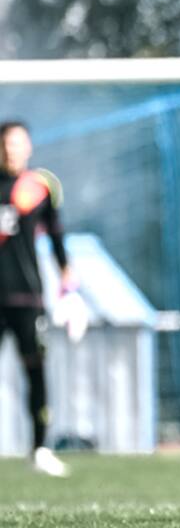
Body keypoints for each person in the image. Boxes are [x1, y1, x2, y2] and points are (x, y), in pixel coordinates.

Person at [0, 120, 72, 477]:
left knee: (36, 373)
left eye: (17, 143)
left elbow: (59, 243)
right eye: (6, 144)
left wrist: (70, 293)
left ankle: (40, 448)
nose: (11, 150)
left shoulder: (39, 188)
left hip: (28, 300)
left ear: (28, 147)